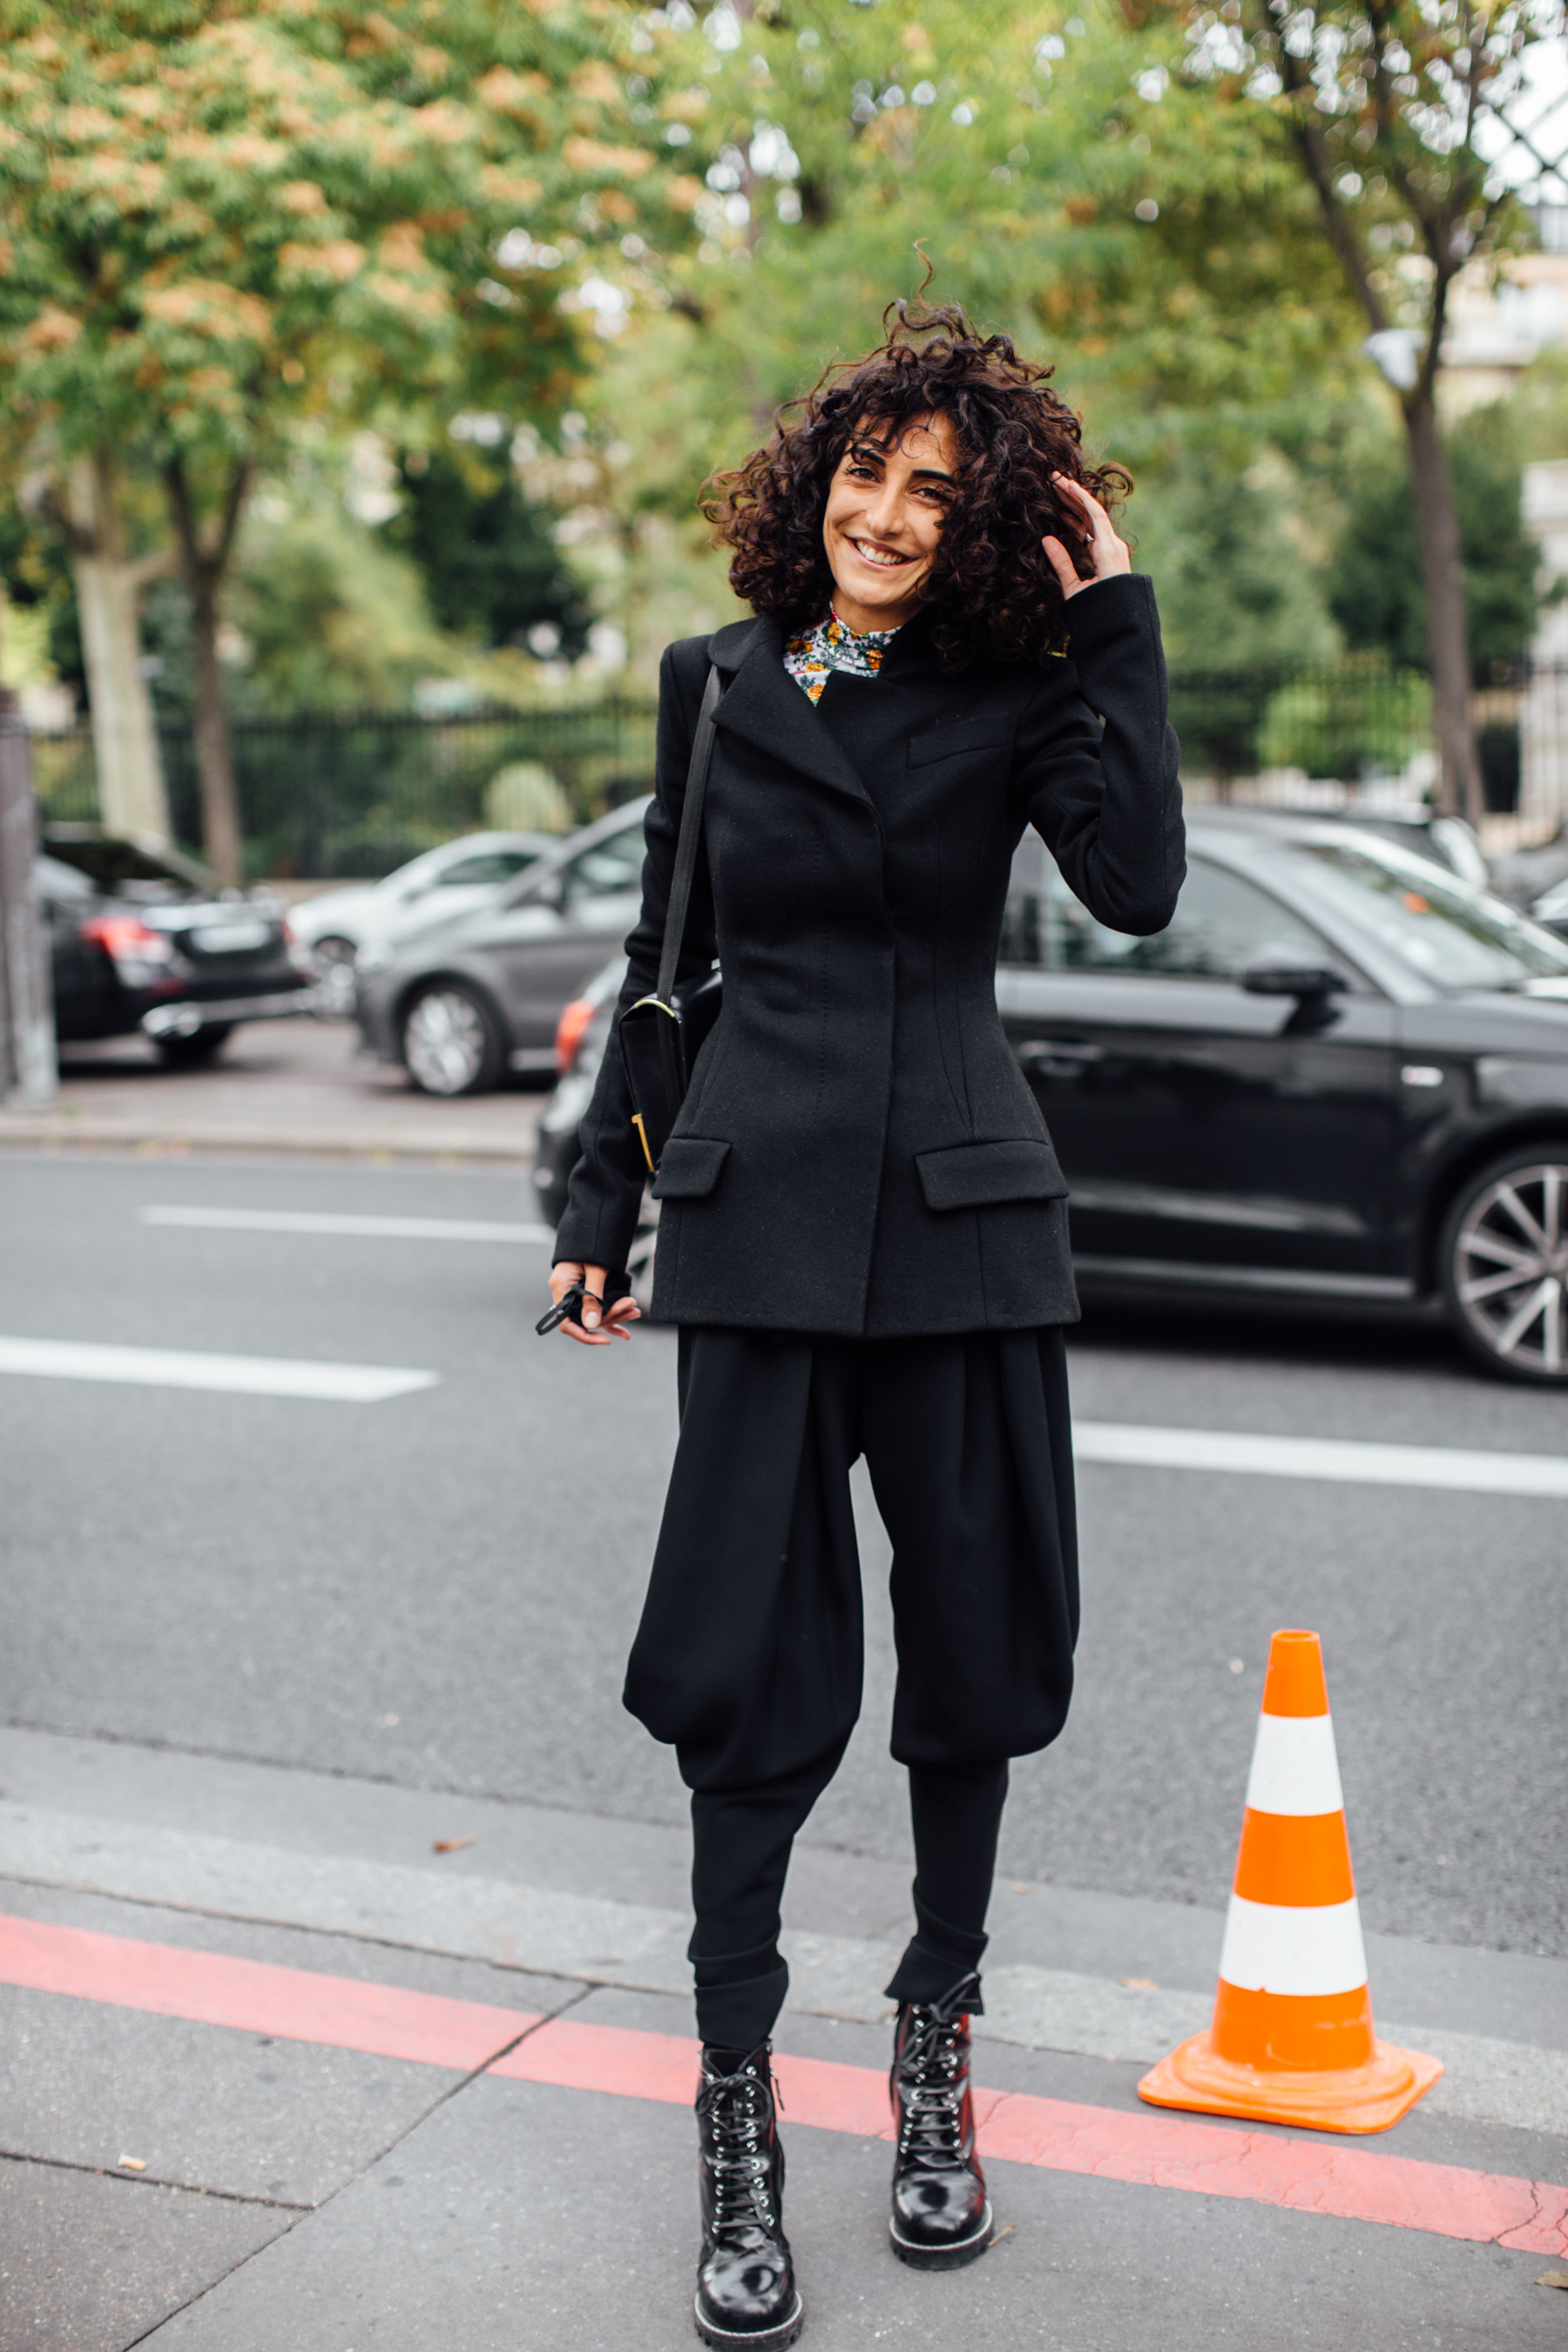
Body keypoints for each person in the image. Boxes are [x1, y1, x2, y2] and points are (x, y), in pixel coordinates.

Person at [546, 300, 1183, 2349]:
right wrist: (601, 1192)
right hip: (754, 1219)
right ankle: (735, 2103)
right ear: (817, 468)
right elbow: (667, 958)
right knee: (746, 1671)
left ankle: (936, 2043)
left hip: (969, 1220)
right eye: (868, 468)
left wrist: (1118, 630)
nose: (888, 515)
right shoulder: (722, 686)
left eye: (937, 491)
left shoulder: (1018, 689)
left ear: (985, 522)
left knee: (977, 1655)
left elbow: (1142, 884)